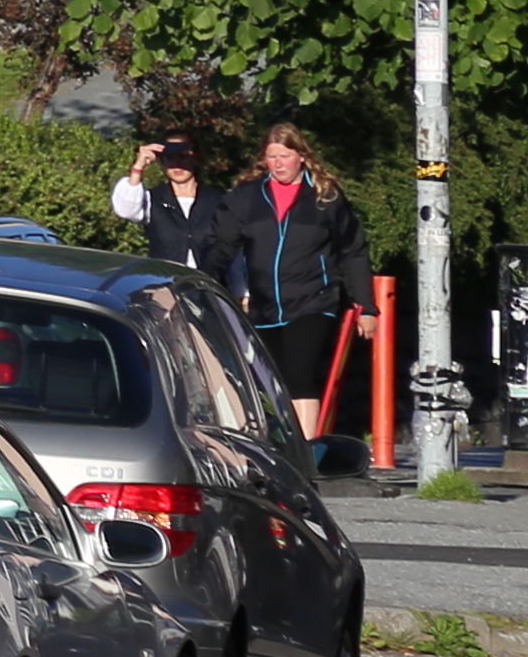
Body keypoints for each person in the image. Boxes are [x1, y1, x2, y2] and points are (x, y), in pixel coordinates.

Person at [218, 122, 369, 443]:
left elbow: (352, 251)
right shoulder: (247, 196)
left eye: (285, 156)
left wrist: (366, 305)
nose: (278, 163)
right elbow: (220, 245)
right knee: (275, 380)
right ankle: (285, 445)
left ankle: (306, 451)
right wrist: (207, 282)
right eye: (272, 156)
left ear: (301, 156)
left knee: (300, 374)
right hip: (264, 304)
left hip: (313, 300)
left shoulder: (324, 197)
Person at [108, 136, 237, 290]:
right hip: (165, 289)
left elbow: (231, 251)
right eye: (170, 158)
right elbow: (126, 210)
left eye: (183, 157)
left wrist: (242, 291)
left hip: (209, 290)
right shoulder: (152, 199)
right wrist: (138, 167)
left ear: (196, 159)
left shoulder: (218, 200)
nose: (177, 164)